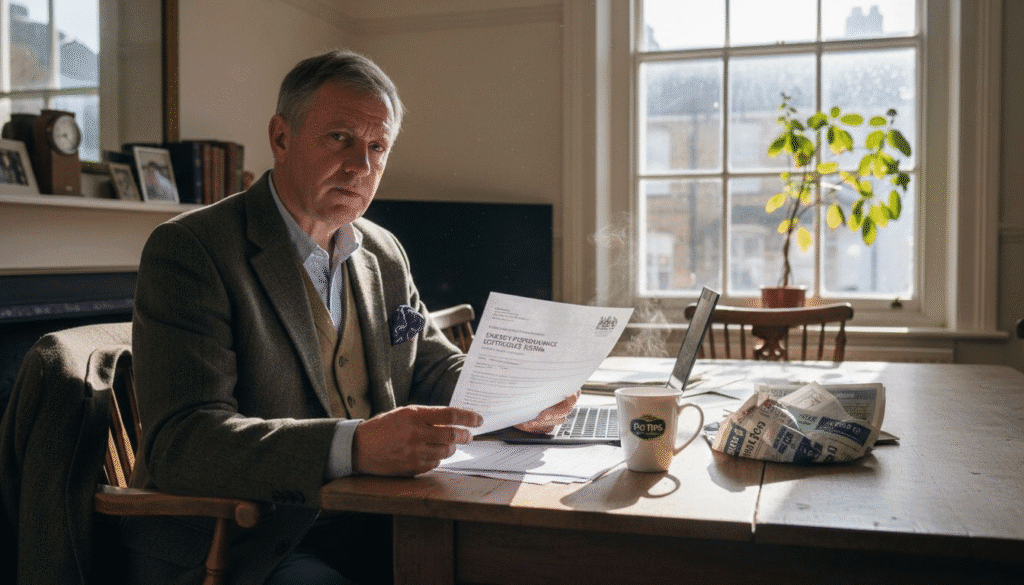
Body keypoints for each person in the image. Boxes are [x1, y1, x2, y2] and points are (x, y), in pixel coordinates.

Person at [126, 49, 577, 585]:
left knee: (537, 556)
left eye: (377, 147)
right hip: (253, 538)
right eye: (340, 138)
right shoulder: (192, 249)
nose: (361, 166)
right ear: (280, 137)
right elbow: (182, 442)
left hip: (381, 515)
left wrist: (520, 398)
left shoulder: (383, 252)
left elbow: (430, 364)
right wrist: (355, 447)